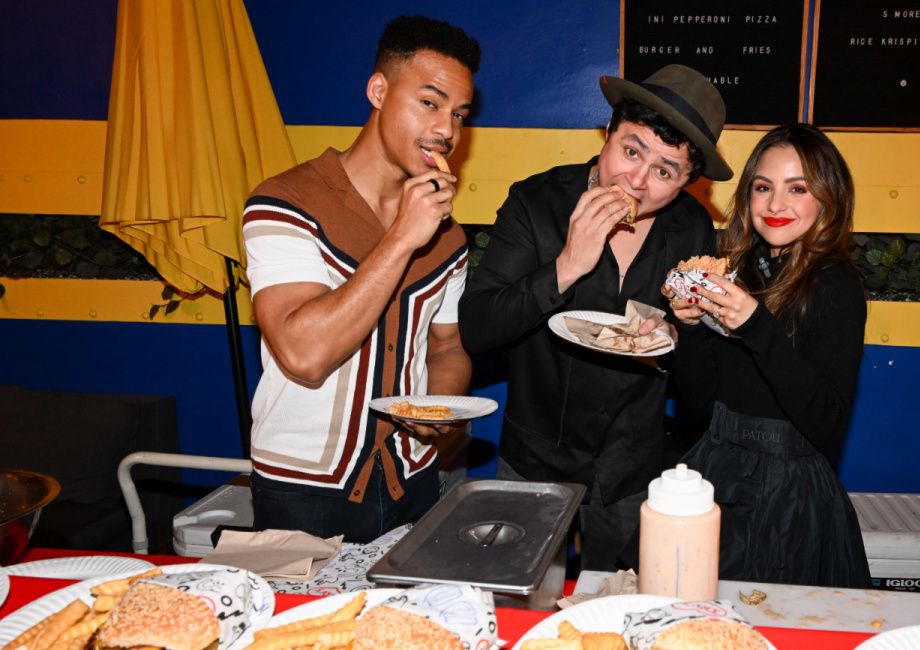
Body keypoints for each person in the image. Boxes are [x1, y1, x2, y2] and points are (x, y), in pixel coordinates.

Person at [458, 64, 733, 571]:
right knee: (514, 605)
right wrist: (567, 266)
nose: (637, 181)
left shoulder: (691, 229)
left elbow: (699, 392)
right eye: (632, 151)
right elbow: (477, 327)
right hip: (533, 462)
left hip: (634, 470)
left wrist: (684, 330)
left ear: (687, 182)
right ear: (607, 134)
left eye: (664, 171)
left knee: (622, 611)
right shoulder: (536, 202)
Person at [240, 15, 480, 543]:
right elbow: (304, 354)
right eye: (430, 102)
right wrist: (401, 238)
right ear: (378, 90)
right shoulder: (284, 204)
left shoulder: (448, 233)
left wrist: (438, 408)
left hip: (413, 480)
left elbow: (447, 347)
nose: (447, 129)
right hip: (302, 492)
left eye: (459, 114)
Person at [665, 123, 871, 587]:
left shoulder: (835, 286)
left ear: (828, 198)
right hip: (714, 470)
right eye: (763, 187)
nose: (776, 205)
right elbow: (696, 407)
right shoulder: (737, 272)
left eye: (797, 188)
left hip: (788, 495)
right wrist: (691, 326)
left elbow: (826, 424)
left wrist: (757, 326)